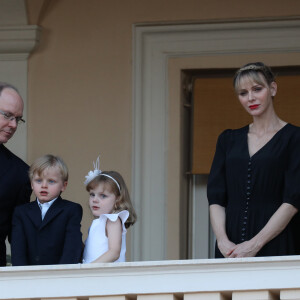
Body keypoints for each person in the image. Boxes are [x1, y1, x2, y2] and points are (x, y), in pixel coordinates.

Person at [207, 62, 300, 258]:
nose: (251, 98)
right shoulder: (227, 140)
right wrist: (222, 241)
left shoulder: (295, 138)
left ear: (272, 88)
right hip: (229, 248)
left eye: (257, 89)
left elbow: (292, 200)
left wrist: (255, 244)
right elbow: (216, 198)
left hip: (277, 242)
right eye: (243, 93)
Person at [11, 154, 83, 266]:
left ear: (63, 186)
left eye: (51, 181)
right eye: (38, 181)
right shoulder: (21, 212)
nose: (44, 185)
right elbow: (18, 250)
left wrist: (61, 275)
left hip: (59, 276)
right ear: (31, 184)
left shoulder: (71, 210)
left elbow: (72, 248)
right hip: (28, 277)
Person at [82, 156, 137, 263]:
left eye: (103, 196)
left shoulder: (112, 220)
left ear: (118, 200)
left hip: (107, 276)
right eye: (92, 195)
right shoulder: (99, 223)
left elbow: (114, 252)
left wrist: (90, 268)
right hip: (96, 276)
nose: (95, 200)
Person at [0, 82, 31, 266]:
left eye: (17, 119)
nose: (13, 125)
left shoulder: (20, 173)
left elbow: (18, 235)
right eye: (7, 115)